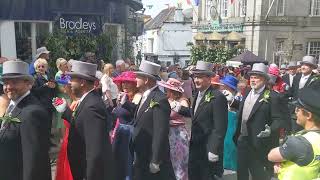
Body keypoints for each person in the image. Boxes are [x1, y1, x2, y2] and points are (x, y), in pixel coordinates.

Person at [53, 61, 115, 180]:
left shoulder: (92, 106)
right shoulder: (88, 100)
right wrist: (65, 111)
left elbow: (94, 149)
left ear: (82, 82)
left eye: (72, 79)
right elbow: (80, 125)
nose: (69, 82)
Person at [120, 60, 176, 180]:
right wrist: (126, 103)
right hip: (142, 154)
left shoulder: (159, 99)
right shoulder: (146, 95)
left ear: (146, 80)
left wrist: (156, 159)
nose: (136, 79)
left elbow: (160, 131)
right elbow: (141, 115)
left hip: (150, 155)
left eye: (138, 77)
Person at [0, 60, 51, 180]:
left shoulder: (32, 112)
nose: (8, 87)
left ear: (28, 83)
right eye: (6, 83)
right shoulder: (11, 106)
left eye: (14, 82)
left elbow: (34, 161)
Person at [233, 63, 284, 180]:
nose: (253, 80)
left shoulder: (272, 96)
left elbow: (279, 119)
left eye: (256, 77)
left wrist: (271, 129)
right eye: (251, 77)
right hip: (242, 138)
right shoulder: (246, 92)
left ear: (265, 79)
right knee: (241, 172)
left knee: (258, 174)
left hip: (259, 143)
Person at [268, 87, 320, 180]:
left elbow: (271, 156)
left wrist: (282, 161)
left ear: (308, 115)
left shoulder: (299, 142)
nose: (295, 112)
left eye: (298, 109)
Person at [188, 61, 228, 180]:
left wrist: (214, 150)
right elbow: (196, 115)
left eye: (200, 77)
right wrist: (180, 109)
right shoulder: (197, 94)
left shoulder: (217, 97)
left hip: (207, 149)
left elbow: (220, 127)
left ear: (209, 78)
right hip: (195, 147)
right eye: (195, 77)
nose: (196, 80)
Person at [158, 78, 191, 180]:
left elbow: (188, 113)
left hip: (178, 134)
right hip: (168, 133)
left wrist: (178, 107)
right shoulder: (165, 100)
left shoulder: (182, 101)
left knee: (179, 162)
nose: (165, 91)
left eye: (167, 89)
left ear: (174, 92)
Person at [112, 71, 142, 180]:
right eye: (123, 82)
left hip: (129, 134)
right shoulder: (123, 96)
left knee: (128, 163)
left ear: (135, 84)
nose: (124, 85)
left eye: (128, 82)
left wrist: (125, 103)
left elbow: (137, 112)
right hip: (120, 132)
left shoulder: (138, 96)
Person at [220, 75, 239, 171]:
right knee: (225, 142)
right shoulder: (223, 93)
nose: (222, 86)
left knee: (231, 142)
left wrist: (232, 101)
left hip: (233, 121)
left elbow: (239, 107)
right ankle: (225, 163)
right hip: (225, 119)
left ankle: (233, 164)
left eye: (224, 85)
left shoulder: (238, 96)